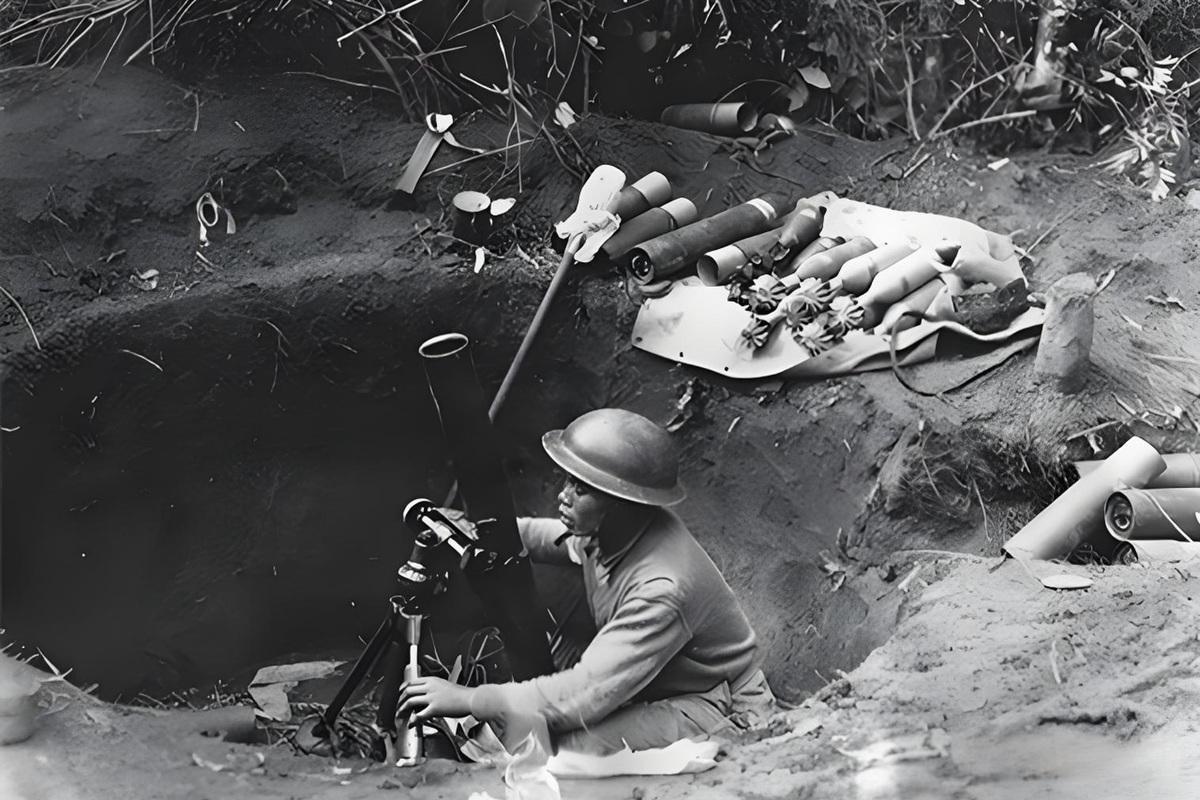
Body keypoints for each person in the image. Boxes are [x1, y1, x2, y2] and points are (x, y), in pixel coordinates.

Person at [398, 407, 775, 755]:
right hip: (654, 680)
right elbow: (551, 539)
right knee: (527, 722)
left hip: (718, 705)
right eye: (568, 480)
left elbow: (581, 696)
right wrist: (476, 531)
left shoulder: (662, 589)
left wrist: (468, 699)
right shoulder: (615, 529)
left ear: (620, 503)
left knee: (558, 752)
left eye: (580, 488)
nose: (563, 495)